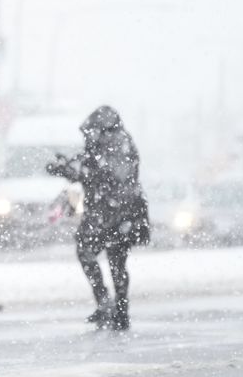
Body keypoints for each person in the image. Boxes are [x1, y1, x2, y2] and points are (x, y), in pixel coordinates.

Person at [46, 105, 150, 331]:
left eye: (91, 132)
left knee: (102, 257)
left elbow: (106, 174)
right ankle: (114, 307)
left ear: (102, 128)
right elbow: (90, 167)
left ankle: (113, 307)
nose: (88, 137)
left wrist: (72, 170)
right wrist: (67, 166)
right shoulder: (111, 144)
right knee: (112, 260)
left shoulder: (117, 144)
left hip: (113, 213)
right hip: (114, 213)